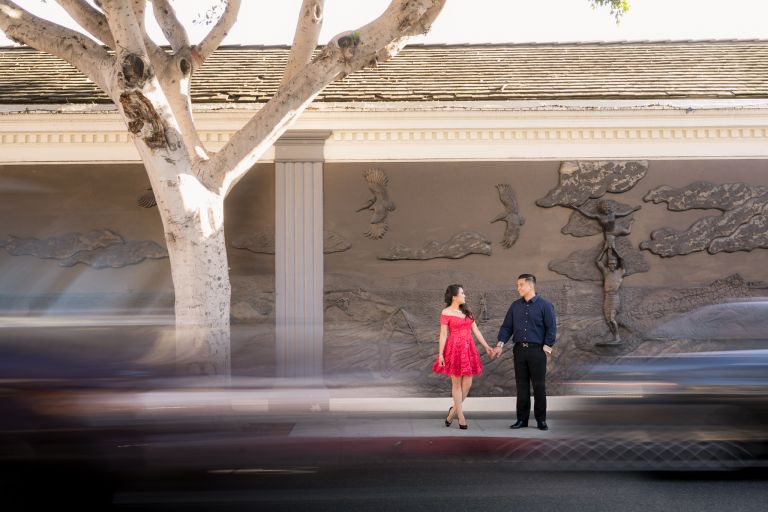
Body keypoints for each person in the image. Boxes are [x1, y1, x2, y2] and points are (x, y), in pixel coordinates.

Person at [493, 274, 557, 431]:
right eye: (517, 285)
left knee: (539, 387)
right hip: (519, 351)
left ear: (531, 286)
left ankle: (541, 420)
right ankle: (522, 420)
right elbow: (506, 327)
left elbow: (551, 328)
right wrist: (500, 344)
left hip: (537, 351)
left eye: (521, 285)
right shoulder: (515, 306)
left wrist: (546, 347)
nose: (518, 288)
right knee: (521, 387)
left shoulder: (545, 305)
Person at [433, 284, 494, 430]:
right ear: (454, 296)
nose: (465, 295)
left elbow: (476, 330)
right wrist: (440, 354)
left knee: (467, 385)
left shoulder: (467, 310)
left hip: (468, 348)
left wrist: (486, 346)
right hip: (454, 349)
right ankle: (460, 417)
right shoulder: (446, 312)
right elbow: (443, 334)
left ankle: (451, 413)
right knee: (456, 384)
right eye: (462, 293)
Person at [596, 247, 626, 344]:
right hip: (607, 297)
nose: (611, 265)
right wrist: (604, 249)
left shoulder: (620, 272)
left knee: (612, 319)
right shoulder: (606, 272)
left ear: (616, 264)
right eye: (610, 264)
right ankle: (615, 337)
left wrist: (614, 249)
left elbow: (622, 259)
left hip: (614, 298)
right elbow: (598, 261)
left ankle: (618, 337)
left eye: (613, 263)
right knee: (608, 320)